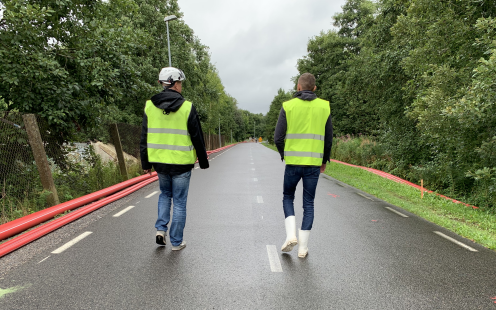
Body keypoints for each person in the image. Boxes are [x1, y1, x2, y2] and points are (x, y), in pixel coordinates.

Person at [140, 67, 209, 251]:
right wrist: (203, 161)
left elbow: (144, 136)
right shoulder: (187, 107)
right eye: (180, 83)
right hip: (181, 164)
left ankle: (160, 230)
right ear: (175, 83)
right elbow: (197, 136)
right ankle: (176, 242)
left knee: (165, 194)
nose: (181, 86)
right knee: (179, 201)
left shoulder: (149, 106)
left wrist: (145, 163)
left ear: (161, 84)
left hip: (160, 163)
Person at [273, 73, 333, 258]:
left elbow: (278, 137)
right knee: (308, 203)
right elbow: (328, 139)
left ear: (298, 87)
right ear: (314, 88)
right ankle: (303, 249)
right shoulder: (324, 106)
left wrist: (285, 154)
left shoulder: (288, 106)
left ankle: (291, 235)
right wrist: (324, 160)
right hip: (313, 165)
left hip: (293, 163)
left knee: (287, 197)